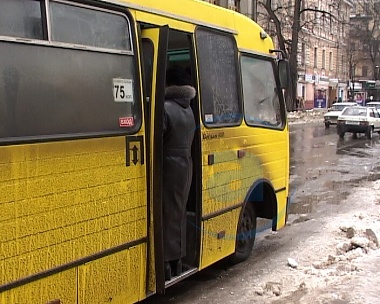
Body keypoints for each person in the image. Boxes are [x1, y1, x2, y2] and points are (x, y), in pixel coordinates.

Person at [162, 65, 196, 281]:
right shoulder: (188, 109)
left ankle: (166, 263)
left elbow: (157, 139)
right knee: (179, 212)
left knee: (166, 215)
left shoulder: (165, 108)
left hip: (168, 168)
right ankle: (178, 260)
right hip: (186, 166)